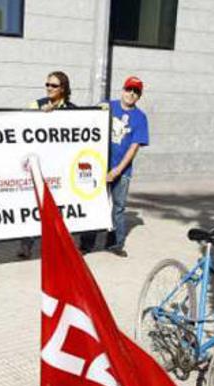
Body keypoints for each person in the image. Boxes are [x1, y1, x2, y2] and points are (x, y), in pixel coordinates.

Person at [79, 76, 149, 257]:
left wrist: (117, 170)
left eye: (136, 92)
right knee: (94, 204)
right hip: (99, 167)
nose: (131, 94)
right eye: (129, 89)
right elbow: (86, 122)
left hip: (122, 170)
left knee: (117, 208)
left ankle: (114, 244)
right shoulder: (107, 106)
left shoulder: (140, 118)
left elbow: (134, 148)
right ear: (123, 90)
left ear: (139, 96)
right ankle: (86, 244)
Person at [18, 71, 78, 258]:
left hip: (60, 168)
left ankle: (57, 247)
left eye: (54, 85)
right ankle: (26, 245)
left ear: (63, 89)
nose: (49, 88)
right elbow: (22, 124)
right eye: (47, 84)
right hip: (40, 166)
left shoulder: (73, 110)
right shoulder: (36, 105)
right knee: (34, 205)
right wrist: (40, 116)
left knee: (59, 208)